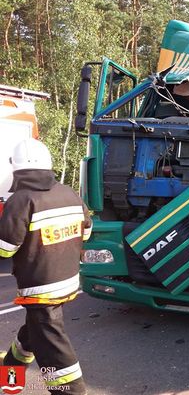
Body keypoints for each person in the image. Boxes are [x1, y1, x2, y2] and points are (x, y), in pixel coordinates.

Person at [0, 139, 92, 395]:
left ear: (17, 170)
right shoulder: (69, 193)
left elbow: (5, 248)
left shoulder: (20, 200)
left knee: (52, 347)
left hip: (40, 289)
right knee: (30, 335)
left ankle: (70, 391)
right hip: (68, 279)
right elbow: (86, 232)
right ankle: (10, 379)